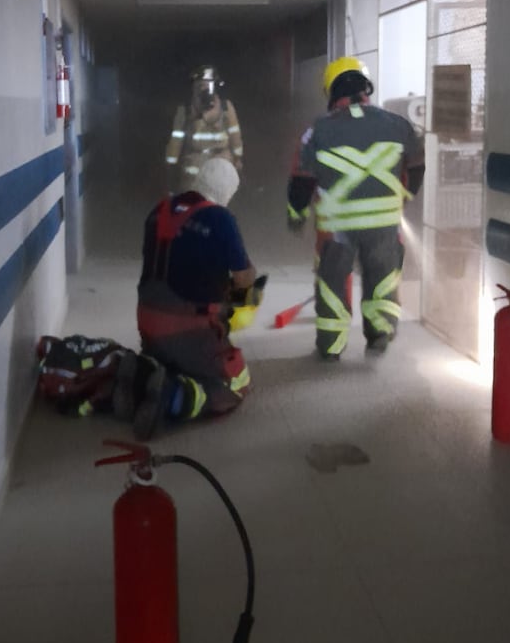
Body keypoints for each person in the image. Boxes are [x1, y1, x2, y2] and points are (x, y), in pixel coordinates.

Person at [287, 56, 425, 361]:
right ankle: (379, 332)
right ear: (367, 87)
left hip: (337, 228)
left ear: (331, 90)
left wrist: (296, 214)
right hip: (384, 225)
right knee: (383, 279)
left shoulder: (317, 131)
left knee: (333, 283)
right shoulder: (399, 125)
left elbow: (301, 180)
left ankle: (332, 345)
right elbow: (417, 167)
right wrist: (403, 197)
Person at [113, 157, 260, 440]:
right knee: (235, 383)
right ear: (227, 192)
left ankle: (140, 376)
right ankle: (172, 397)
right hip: (187, 327)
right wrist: (247, 282)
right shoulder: (220, 218)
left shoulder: (158, 211)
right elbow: (244, 278)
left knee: (173, 360)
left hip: (146, 321)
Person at [164, 66, 244, 192]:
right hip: (194, 172)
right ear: (193, 88)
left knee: (218, 203)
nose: (205, 89)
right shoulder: (185, 111)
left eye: (209, 85)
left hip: (220, 168)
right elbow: (175, 143)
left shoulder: (226, 108)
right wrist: (171, 167)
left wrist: (237, 158)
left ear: (215, 87)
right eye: (200, 85)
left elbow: (235, 136)